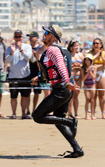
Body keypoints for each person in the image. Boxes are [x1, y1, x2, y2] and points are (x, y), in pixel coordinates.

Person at [31, 25, 84, 158]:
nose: (45, 34)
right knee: (58, 120)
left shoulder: (52, 50)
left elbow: (60, 66)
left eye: (47, 32)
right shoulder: (63, 50)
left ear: (53, 36)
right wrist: (39, 78)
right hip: (65, 89)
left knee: (37, 116)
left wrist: (67, 82)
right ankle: (77, 149)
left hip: (61, 89)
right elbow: (56, 68)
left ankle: (70, 122)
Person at [5, 30, 32, 119]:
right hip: (13, 76)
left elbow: (28, 57)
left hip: (25, 76)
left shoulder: (27, 46)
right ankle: (13, 113)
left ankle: (24, 113)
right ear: (14, 37)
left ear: (22, 37)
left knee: (24, 97)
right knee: (13, 97)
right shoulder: (10, 48)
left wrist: (20, 49)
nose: (18, 38)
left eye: (19, 36)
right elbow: (7, 61)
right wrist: (12, 52)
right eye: (16, 36)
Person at [90, 38, 105, 119]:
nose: (95, 45)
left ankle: (103, 113)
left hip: (102, 74)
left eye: (97, 43)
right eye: (94, 43)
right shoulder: (90, 53)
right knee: (93, 95)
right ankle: (93, 113)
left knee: (101, 95)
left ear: (101, 45)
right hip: (93, 74)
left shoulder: (104, 53)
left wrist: (101, 55)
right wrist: (97, 55)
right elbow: (89, 61)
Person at [26, 31, 42, 115]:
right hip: (28, 72)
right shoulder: (27, 48)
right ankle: (27, 109)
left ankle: (34, 109)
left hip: (37, 72)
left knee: (37, 92)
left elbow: (41, 62)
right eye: (29, 37)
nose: (30, 38)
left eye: (32, 37)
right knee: (28, 92)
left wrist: (36, 56)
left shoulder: (40, 48)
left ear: (36, 38)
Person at [67, 40, 84, 119]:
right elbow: (66, 66)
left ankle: (76, 113)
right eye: (75, 46)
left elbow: (85, 65)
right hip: (71, 76)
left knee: (76, 95)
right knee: (71, 96)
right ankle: (70, 113)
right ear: (71, 47)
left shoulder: (80, 55)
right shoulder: (68, 55)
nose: (77, 47)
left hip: (79, 76)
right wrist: (73, 65)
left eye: (78, 45)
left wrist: (80, 65)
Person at [81, 54, 96, 120]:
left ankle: (92, 114)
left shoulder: (94, 67)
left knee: (92, 100)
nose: (87, 61)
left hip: (92, 84)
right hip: (86, 84)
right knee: (87, 99)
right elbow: (83, 79)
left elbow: (94, 77)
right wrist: (87, 72)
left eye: (88, 60)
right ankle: (86, 114)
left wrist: (90, 72)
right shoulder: (83, 68)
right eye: (86, 60)